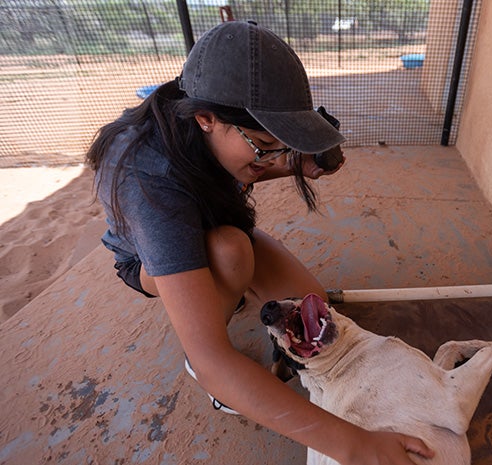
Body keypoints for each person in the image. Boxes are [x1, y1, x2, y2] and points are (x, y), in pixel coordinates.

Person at [86, 20, 433, 465]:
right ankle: (210, 311)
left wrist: (295, 164)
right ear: (206, 117)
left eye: (280, 147)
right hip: (149, 261)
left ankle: (218, 288)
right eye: (265, 145)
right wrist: (357, 444)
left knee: (313, 306)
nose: (272, 158)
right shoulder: (149, 181)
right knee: (231, 253)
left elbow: (234, 164)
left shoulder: (203, 123)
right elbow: (216, 361)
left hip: (206, 220)